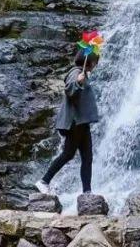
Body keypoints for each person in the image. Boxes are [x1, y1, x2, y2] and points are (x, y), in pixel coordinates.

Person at [35, 32, 103, 194]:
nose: (96, 65)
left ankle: (87, 191)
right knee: (67, 154)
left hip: (82, 123)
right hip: (74, 122)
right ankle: (43, 181)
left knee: (87, 158)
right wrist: (78, 82)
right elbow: (70, 88)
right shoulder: (76, 72)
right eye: (95, 62)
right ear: (91, 61)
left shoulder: (83, 74)